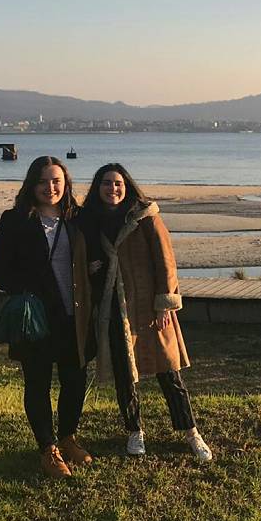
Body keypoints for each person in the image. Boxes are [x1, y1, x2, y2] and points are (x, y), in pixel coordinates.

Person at [80, 163, 212, 462]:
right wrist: (91, 269)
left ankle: (191, 431)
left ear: (127, 186)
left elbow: (166, 261)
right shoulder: (90, 221)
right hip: (113, 308)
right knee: (125, 374)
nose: (112, 189)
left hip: (148, 308)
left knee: (169, 372)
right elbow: (83, 258)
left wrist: (165, 303)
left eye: (117, 183)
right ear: (97, 188)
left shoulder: (146, 218)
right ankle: (134, 430)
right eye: (105, 183)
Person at [0, 156, 93, 479]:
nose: (51, 188)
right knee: (37, 383)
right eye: (44, 181)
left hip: (74, 316)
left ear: (66, 184)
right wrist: (23, 290)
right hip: (36, 320)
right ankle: (48, 449)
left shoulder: (78, 219)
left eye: (57, 181)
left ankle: (68, 437)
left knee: (75, 380)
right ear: (32, 185)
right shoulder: (16, 220)